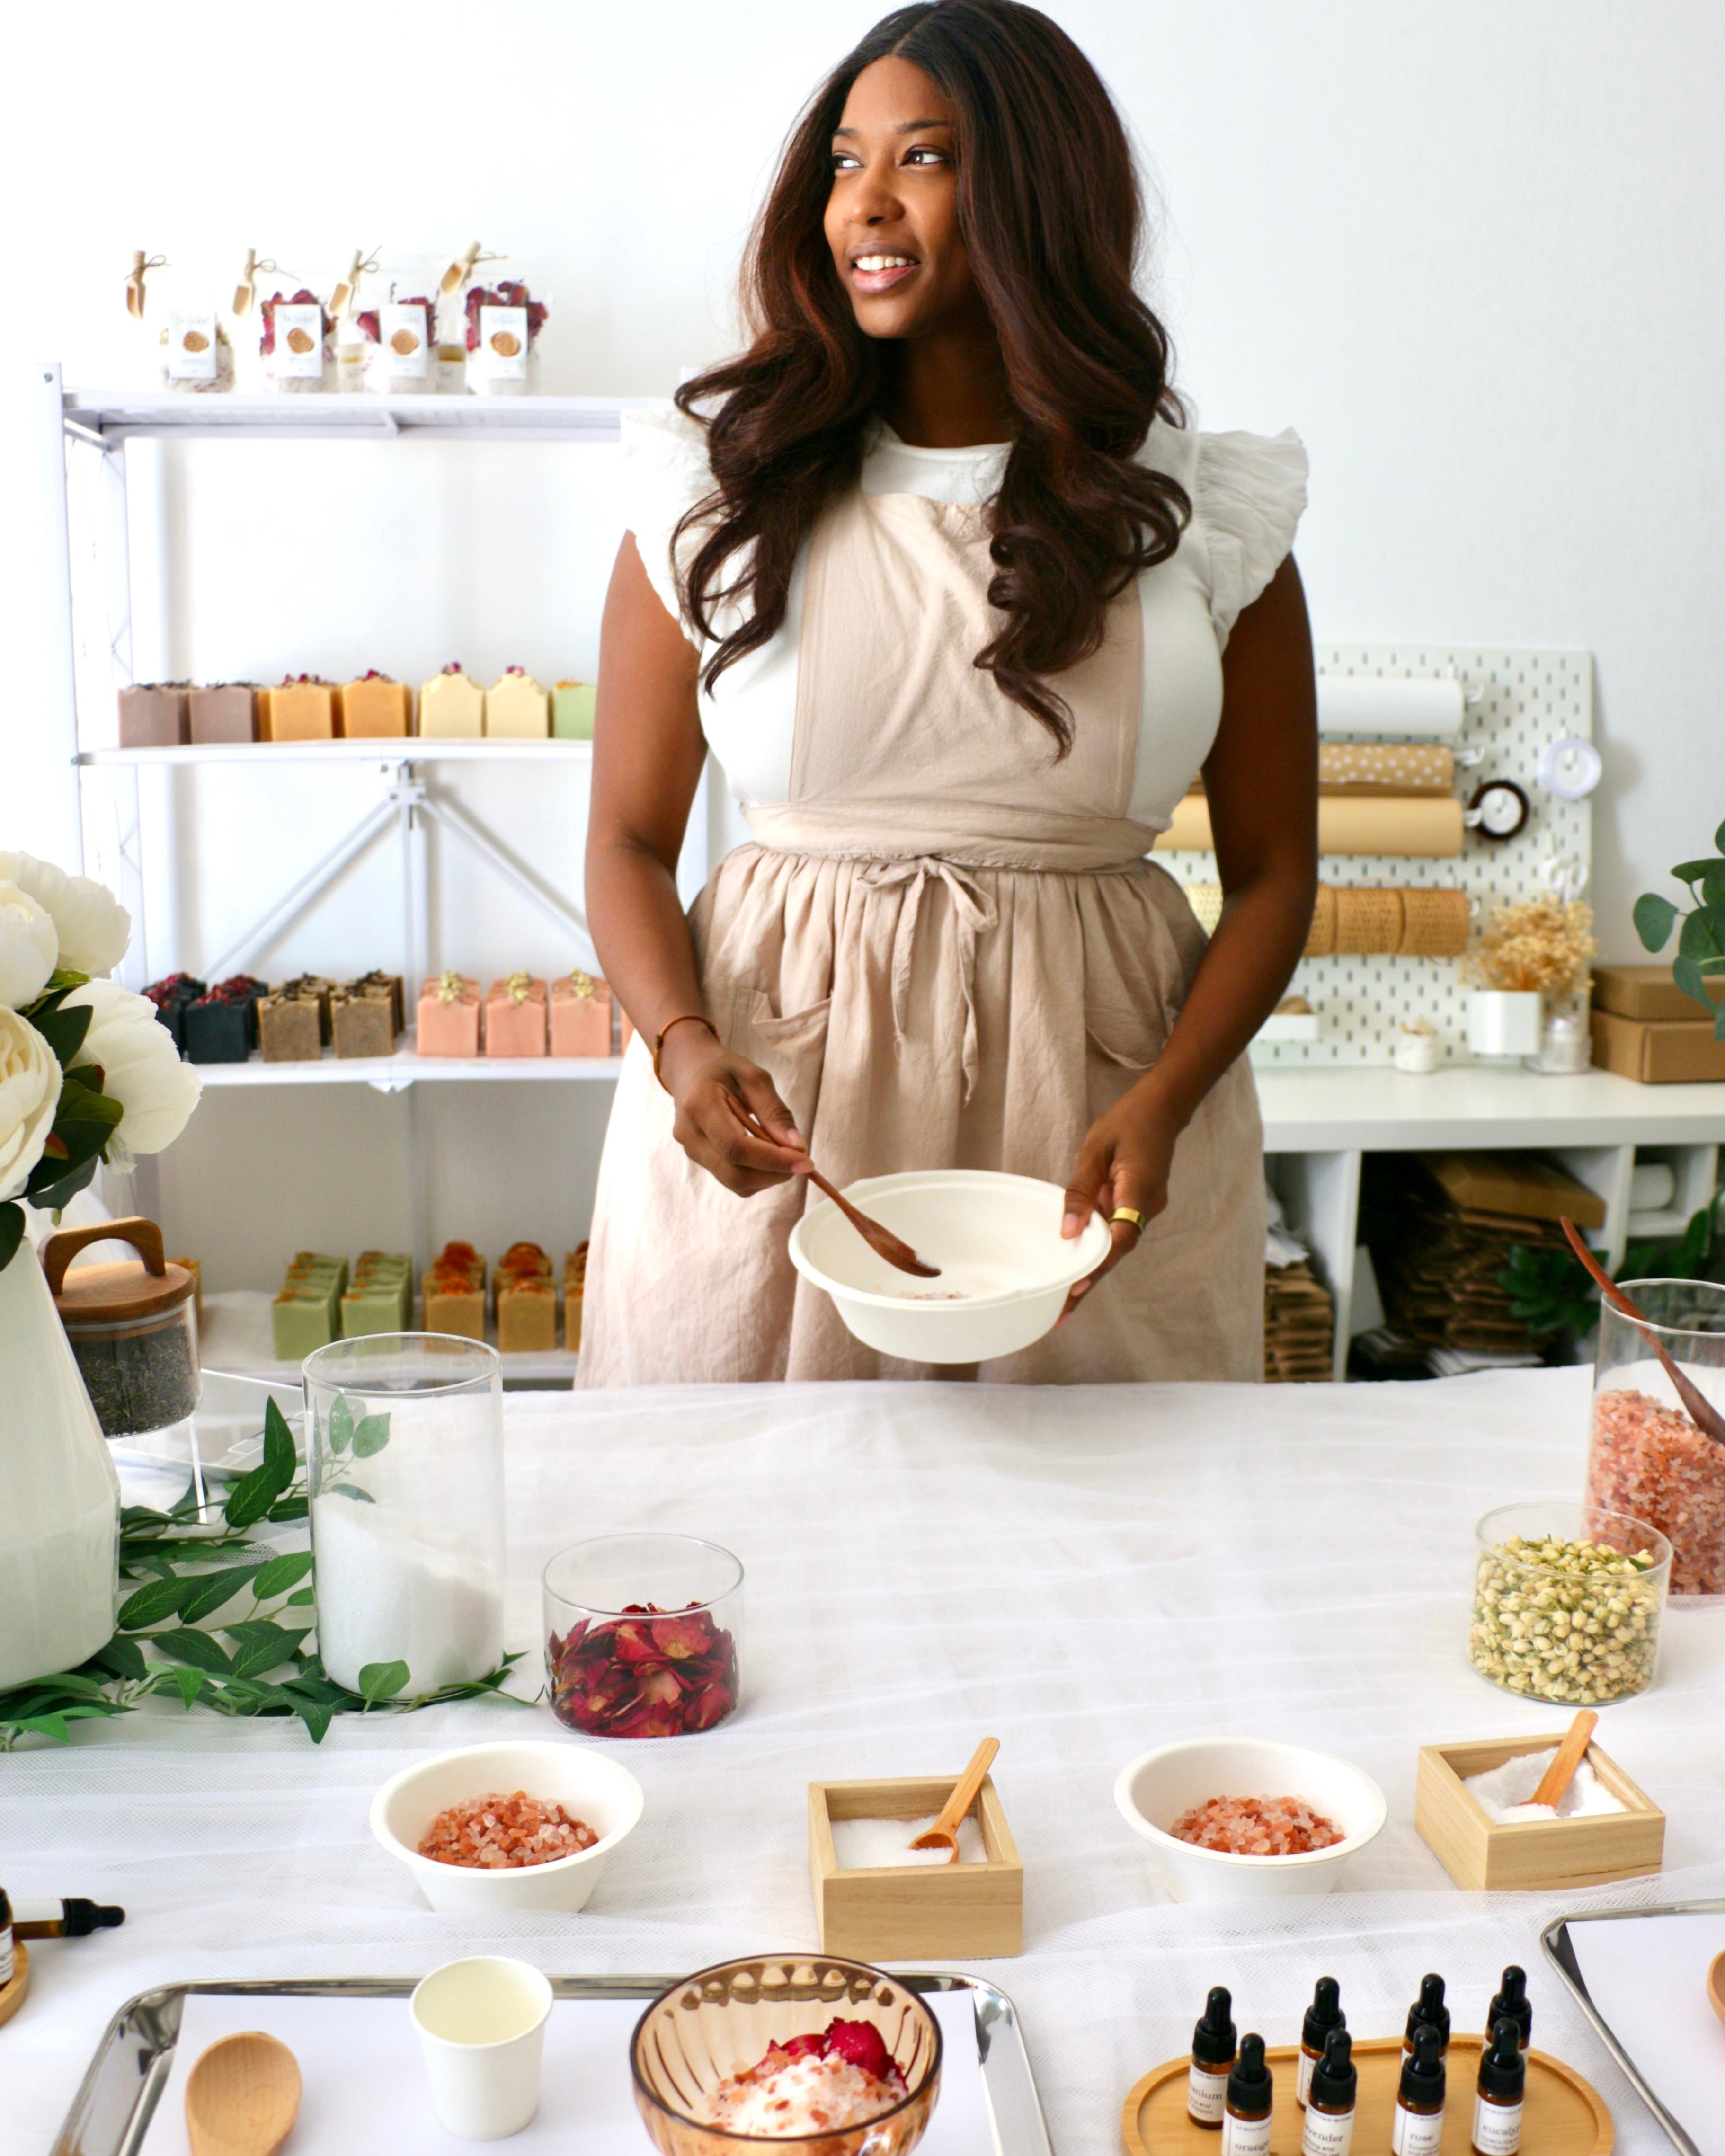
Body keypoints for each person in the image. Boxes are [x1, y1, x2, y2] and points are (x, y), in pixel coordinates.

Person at [578, 0, 1316, 1385]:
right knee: (739, 1551)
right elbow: (626, 836)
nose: (863, 201)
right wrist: (681, 1048)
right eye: (844, 162)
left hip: (1097, 1122)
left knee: (1097, 1554)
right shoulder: (712, 491)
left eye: (921, 158)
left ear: (1038, 190)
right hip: (780, 1112)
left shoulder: (1202, 512)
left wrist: (1167, 1096)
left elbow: (1275, 869)